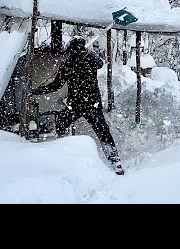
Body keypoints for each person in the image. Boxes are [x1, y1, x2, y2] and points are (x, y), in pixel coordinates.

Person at [32, 36, 124, 175]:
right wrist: (88, 53)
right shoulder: (90, 59)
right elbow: (100, 63)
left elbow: (56, 85)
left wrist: (38, 90)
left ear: (71, 50)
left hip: (76, 105)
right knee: (103, 132)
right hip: (92, 104)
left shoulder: (68, 64)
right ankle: (116, 163)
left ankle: (62, 153)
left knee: (62, 123)